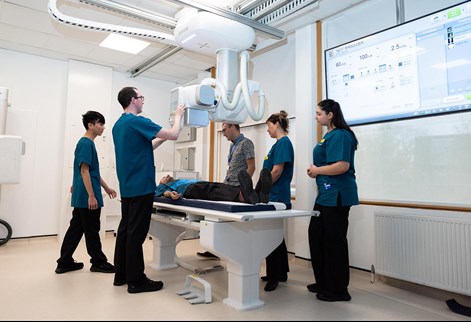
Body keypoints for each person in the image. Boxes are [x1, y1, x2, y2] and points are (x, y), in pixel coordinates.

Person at [112, 86, 186, 294]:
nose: (143, 101)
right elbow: (174, 134)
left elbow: (146, 147)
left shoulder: (119, 125)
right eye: (141, 97)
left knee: (126, 231)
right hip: (141, 186)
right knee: (137, 234)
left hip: (127, 186)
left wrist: (161, 136)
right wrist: (178, 117)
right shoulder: (138, 121)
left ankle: (122, 275)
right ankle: (136, 281)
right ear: (133, 100)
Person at [306, 98, 359, 302]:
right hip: (326, 195)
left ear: (331, 115)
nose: (316, 116)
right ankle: (324, 282)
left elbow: (342, 166)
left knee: (334, 242)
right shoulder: (329, 135)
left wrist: (317, 170)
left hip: (337, 195)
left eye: (319, 113)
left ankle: (338, 290)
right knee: (316, 236)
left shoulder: (342, 135)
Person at [55, 111, 117, 274]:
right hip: (87, 196)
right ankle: (98, 262)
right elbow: (84, 171)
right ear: (90, 125)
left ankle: (64, 261)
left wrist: (106, 187)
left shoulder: (88, 144)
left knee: (76, 229)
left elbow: (92, 172)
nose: (103, 127)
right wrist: (91, 195)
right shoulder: (86, 144)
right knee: (92, 229)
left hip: (84, 194)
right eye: (100, 124)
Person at [196, 122, 257, 259]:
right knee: (218, 218)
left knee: (233, 224)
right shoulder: (233, 145)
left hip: (237, 188)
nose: (223, 134)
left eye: (224, 130)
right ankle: (215, 249)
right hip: (228, 185)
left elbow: (251, 167)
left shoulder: (246, 143)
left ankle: (231, 251)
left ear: (232, 127)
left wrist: (244, 188)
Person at [260, 110, 294, 292]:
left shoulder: (283, 144)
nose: (267, 131)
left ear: (276, 124)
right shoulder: (278, 144)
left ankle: (274, 276)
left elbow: (276, 172)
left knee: (270, 235)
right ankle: (281, 272)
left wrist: (260, 191)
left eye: (268, 127)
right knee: (276, 235)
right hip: (274, 195)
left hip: (277, 196)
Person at [155, 169, 271, 204]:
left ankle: (258, 194)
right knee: (216, 192)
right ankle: (245, 197)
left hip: (199, 184)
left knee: (223, 187)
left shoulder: (177, 180)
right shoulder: (162, 187)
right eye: (163, 178)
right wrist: (170, 194)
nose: (166, 176)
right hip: (191, 190)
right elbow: (164, 194)